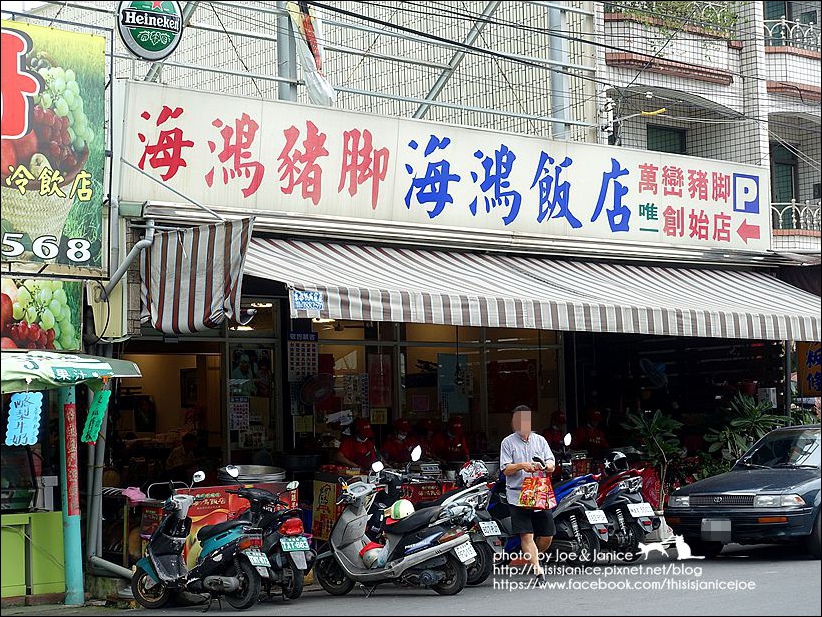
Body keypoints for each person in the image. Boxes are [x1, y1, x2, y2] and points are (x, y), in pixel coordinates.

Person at [500, 404, 555, 584]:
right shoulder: (507, 443)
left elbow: (551, 464)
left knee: (547, 535)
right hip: (517, 495)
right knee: (527, 535)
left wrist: (545, 467)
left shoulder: (540, 441)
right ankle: (538, 571)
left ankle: (532, 557)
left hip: (539, 491)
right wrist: (522, 465)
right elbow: (506, 469)